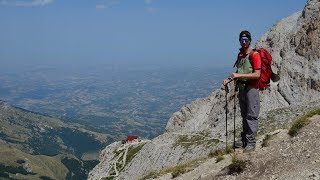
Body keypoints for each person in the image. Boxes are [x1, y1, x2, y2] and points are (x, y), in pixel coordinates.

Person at [223, 30, 261, 153]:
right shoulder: (240, 55)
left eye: (246, 40)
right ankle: (245, 140)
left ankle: (251, 143)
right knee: (244, 115)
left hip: (251, 88)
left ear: (250, 40)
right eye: (241, 40)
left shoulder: (254, 55)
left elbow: (257, 74)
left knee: (251, 115)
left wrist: (238, 75)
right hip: (242, 88)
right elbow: (238, 71)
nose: (244, 42)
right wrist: (229, 79)